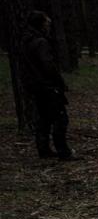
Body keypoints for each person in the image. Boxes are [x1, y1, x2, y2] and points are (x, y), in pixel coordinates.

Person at [21, 10, 74, 160]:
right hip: (47, 86)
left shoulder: (26, 41)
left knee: (44, 118)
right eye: (46, 23)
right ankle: (63, 152)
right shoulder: (40, 42)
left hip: (36, 86)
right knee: (60, 118)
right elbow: (48, 65)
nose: (48, 26)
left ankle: (43, 150)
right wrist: (59, 82)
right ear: (41, 24)